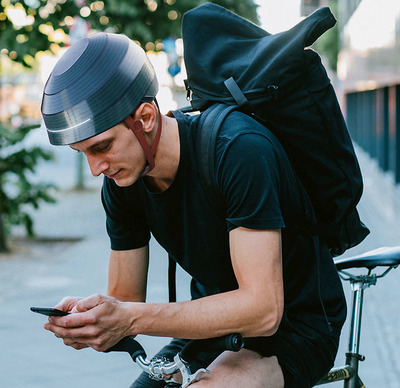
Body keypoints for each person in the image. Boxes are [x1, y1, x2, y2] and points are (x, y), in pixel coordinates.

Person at [41, 32, 346, 388]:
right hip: (212, 327)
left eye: (102, 147)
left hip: (296, 326)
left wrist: (130, 318)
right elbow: (125, 300)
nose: (97, 168)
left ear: (146, 118)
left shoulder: (237, 150)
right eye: (83, 154)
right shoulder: (123, 182)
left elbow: (263, 311)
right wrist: (94, 320)